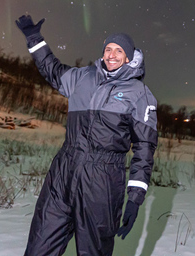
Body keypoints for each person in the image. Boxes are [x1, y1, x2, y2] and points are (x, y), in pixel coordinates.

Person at [15, 15, 158, 256]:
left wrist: (134, 197)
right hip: (63, 173)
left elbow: (144, 147)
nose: (111, 55)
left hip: (101, 182)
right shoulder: (83, 77)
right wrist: (34, 38)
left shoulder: (139, 94)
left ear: (129, 57)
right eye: (108, 49)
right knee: (40, 245)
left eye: (119, 51)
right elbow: (51, 69)